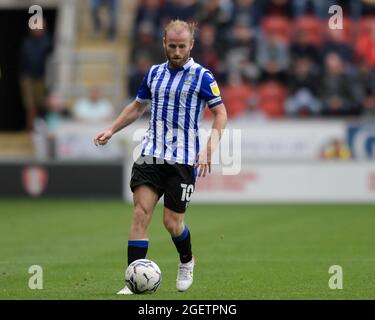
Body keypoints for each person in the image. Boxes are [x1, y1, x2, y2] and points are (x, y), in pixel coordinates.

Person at [94, 19, 227, 294]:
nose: (177, 51)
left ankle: (187, 260)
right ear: (164, 44)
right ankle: (133, 280)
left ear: (191, 45)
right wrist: (112, 128)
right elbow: (137, 106)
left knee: (172, 223)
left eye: (182, 46)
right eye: (172, 46)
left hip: (183, 159)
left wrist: (209, 149)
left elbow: (221, 114)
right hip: (151, 154)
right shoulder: (154, 73)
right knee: (141, 214)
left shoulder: (203, 76)